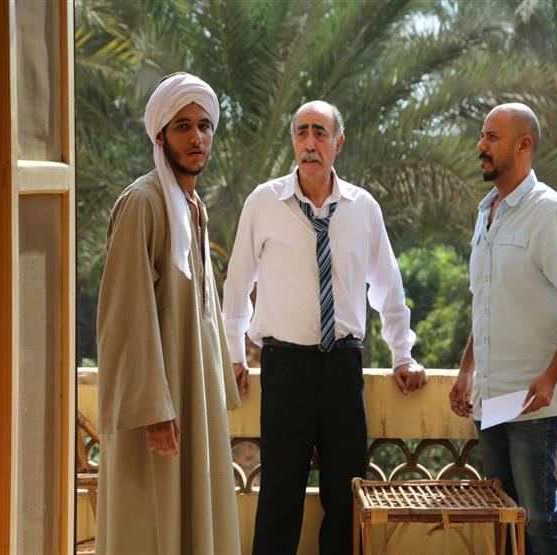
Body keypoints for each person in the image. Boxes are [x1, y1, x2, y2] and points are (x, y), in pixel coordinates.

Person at [222, 100, 427, 555]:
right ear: (292, 140)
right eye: (301, 132)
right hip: (284, 367)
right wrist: (234, 354)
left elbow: (387, 287)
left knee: (346, 494)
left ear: (339, 142)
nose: (309, 143)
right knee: (280, 495)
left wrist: (402, 354)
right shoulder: (264, 202)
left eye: (319, 132)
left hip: (342, 367)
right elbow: (237, 283)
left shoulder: (362, 207)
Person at [95, 72, 245, 555]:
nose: (197, 137)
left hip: (191, 397)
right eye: (183, 126)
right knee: (150, 523)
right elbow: (125, 315)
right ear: (160, 136)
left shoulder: (192, 206)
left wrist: (215, 388)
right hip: (158, 410)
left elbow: (202, 314)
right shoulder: (144, 203)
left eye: (204, 126)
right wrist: (153, 409)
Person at [449, 102, 557, 555]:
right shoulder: (486, 213)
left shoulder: (549, 212)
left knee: (538, 522)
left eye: (492, 137)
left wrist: (550, 377)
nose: (481, 146)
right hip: (490, 400)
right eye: (482, 135)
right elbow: (488, 303)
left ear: (523, 145)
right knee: (503, 519)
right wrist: (467, 370)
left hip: (532, 405)